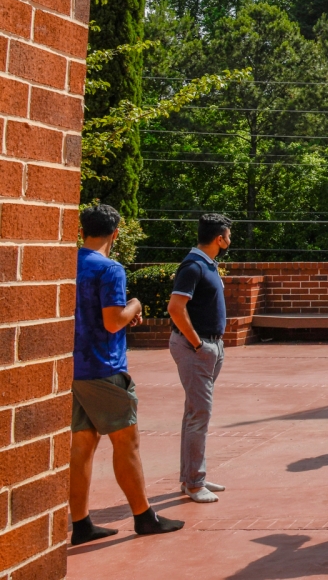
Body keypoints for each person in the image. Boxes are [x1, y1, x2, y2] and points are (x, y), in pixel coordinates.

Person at [70, 205, 184, 545]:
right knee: (127, 444)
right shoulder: (110, 269)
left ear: (83, 230)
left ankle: (81, 524)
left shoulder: (69, 262)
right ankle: (144, 517)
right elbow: (112, 321)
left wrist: (120, 315)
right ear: (115, 233)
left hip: (72, 368)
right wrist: (134, 306)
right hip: (104, 367)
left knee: (82, 445)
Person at [167, 213, 233, 504]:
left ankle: (192, 477)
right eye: (228, 235)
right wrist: (197, 344)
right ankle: (194, 484)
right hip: (196, 347)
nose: (230, 240)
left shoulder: (208, 264)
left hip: (209, 346)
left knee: (194, 412)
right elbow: (175, 307)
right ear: (219, 238)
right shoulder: (193, 266)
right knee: (199, 415)